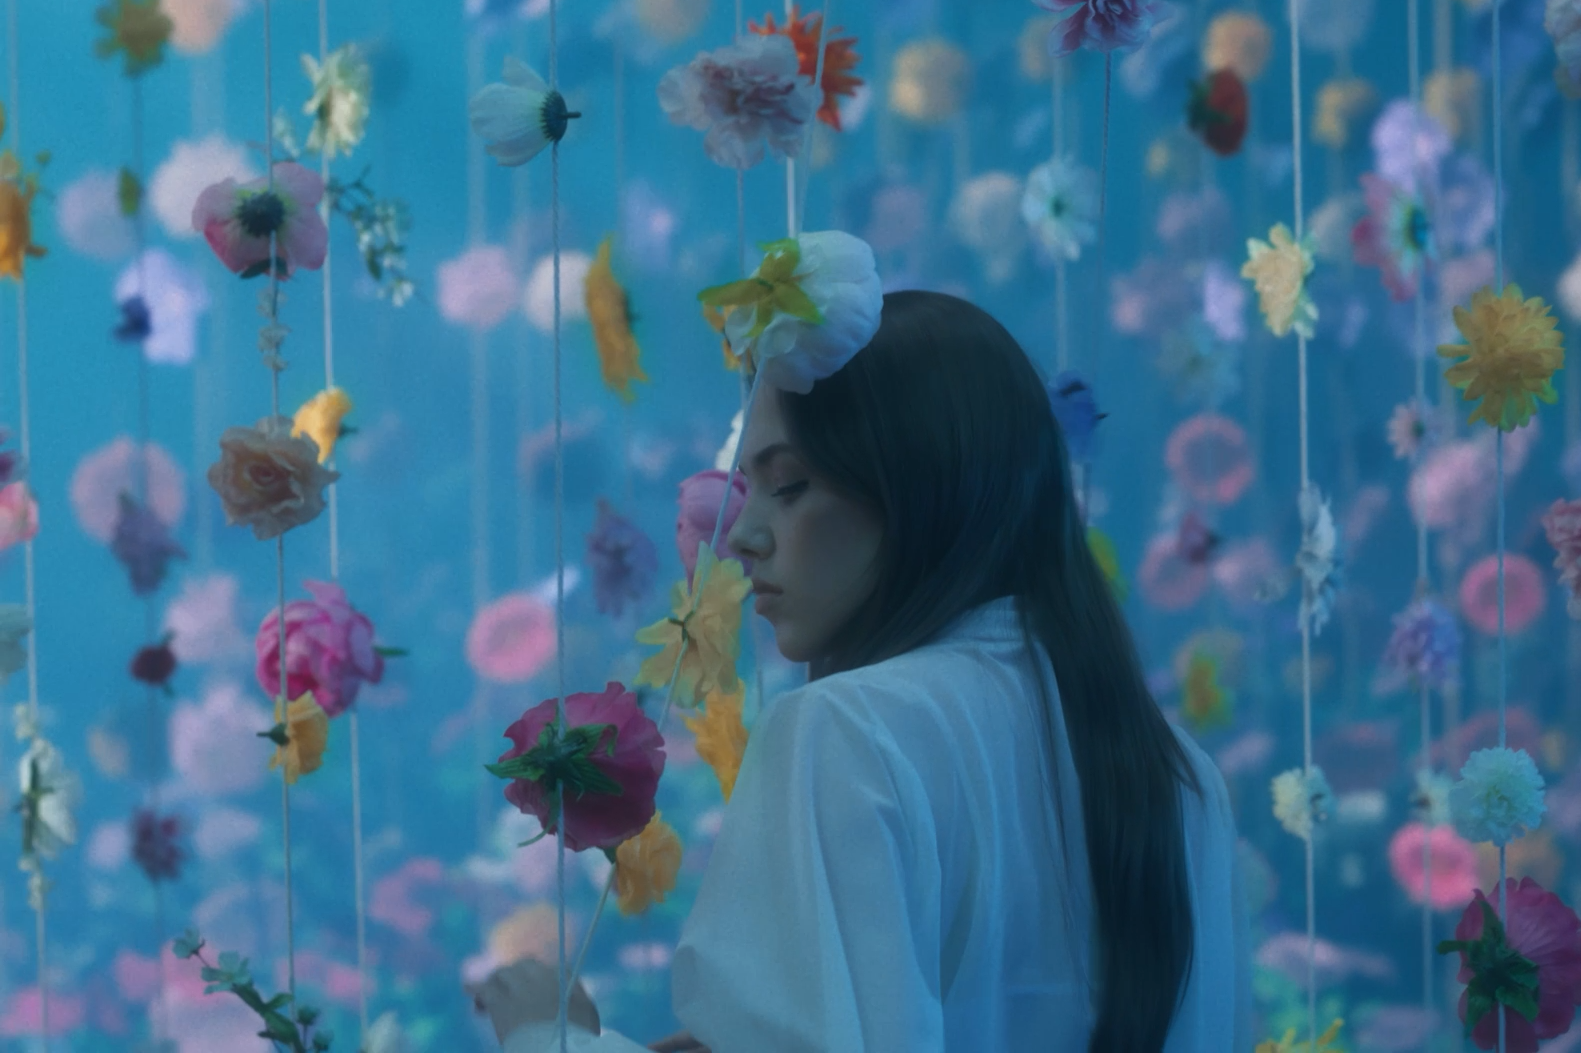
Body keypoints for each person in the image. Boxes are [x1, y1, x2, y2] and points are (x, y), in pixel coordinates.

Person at [476, 291, 1252, 1052]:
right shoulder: (1181, 778)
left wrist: (549, 1037)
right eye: (748, 490)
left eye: (788, 487)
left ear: (919, 484)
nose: (742, 534)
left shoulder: (847, 730)